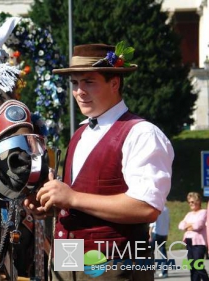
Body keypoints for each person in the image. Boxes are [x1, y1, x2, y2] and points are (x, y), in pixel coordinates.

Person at [24, 43, 174, 281]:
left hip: (114, 264)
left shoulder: (142, 133)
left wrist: (72, 198)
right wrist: (51, 202)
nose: (79, 91)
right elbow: (83, 197)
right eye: (74, 83)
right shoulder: (81, 132)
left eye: (89, 82)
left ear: (114, 83)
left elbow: (147, 207)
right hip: (67, 259)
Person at [178, 192, 209, 281]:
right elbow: (180, 225)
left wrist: (189, 225)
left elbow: (198, 225)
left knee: (198, 265)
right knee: (192, 266)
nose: (190, 204)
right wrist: (189, 225)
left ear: (198, 201)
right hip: (189, 241)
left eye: (192, 202)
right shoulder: (189, 214)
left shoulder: (204, 212)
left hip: (199, 243)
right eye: (189, 202)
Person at [150, 204, 170, 278]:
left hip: (155, 232)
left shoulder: (156, 208)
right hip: (163, 233)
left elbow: (153, 223)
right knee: (163, 253)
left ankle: (151, 270)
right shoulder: (166, 209)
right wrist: (167, 233)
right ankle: (164, 272)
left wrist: (149, 234)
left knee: (151, 253)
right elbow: (168, 221)